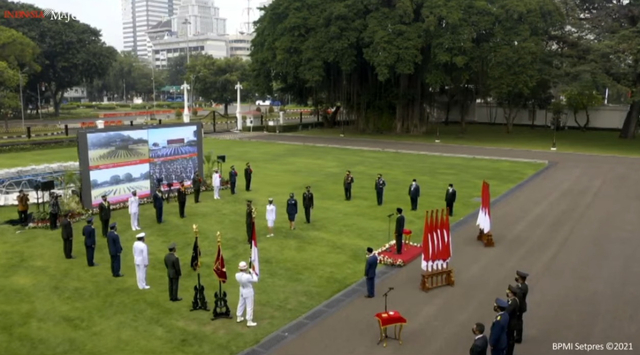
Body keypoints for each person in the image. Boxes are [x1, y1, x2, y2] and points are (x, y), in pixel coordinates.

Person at [235, 261, 258, 327]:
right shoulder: (247, 276)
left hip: (242, 289)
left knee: (241, 303)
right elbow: (255, 280)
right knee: (249, 306)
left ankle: (239, 316)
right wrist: (253, 273)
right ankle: (249, 321)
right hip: (248, 291)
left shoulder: (237, 275)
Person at [505, 285, 521, 355]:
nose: (507, 293)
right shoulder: (511, 300)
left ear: (512, 293)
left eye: (509, 292)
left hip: (511, 324)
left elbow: (507, 311)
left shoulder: (513, 302)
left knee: (510, 339)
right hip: (511, 322)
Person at [514, 270, 529, 343]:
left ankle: (518, 337)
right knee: (518, 321)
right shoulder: (523, 285)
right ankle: (518, 336)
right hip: (521, 306)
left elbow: (518, 297)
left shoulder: (522, 288)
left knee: (518, 322)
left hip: (519, 307)